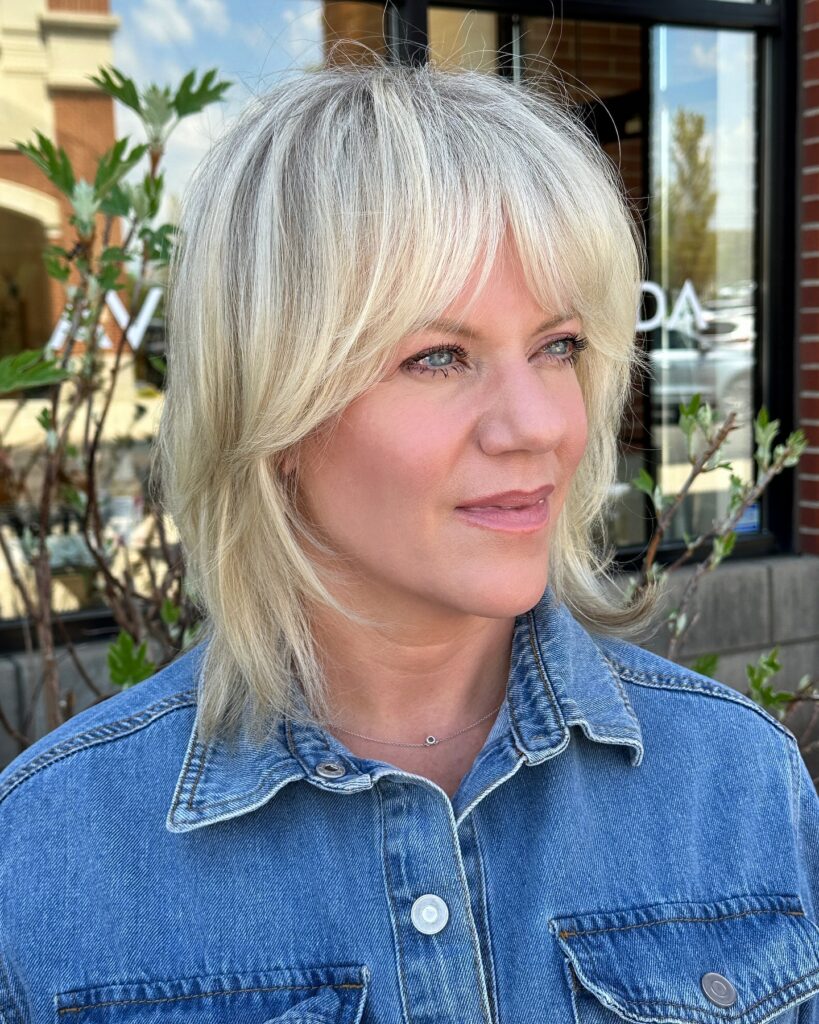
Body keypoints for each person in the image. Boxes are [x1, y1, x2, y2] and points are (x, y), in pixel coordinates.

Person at [2, 56, 819, 1024]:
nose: (537, 426)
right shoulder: (51, 854)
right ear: (273, 409)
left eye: (557, 346)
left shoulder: (737, 783)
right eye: (438, 357)